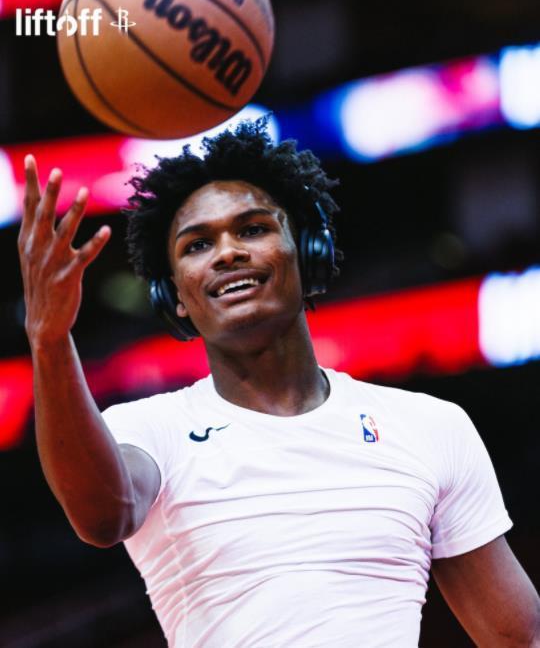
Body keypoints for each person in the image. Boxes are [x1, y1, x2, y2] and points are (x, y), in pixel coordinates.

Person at [18, 120, 540, 647]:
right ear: (175, 295)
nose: (226, 252)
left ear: (309, 251)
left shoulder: (431, 427)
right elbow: (103, 517)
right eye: (197, 244)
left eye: (252, 230)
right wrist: (50, 340)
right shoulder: (151, 428)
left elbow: (517, 638)